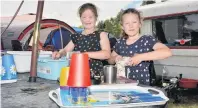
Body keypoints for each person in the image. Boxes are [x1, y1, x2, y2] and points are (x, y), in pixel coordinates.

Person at [108, 8, 172, 85]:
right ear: (122, 26)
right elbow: (109, 60)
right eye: (127, 23)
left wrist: (140, 57)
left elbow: (167, 52)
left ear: (140, 24)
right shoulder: (120, 42)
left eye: (134, 22)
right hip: (123, 86)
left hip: (142, 86)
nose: (131, 26)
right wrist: (115, 58)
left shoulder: (147, 40)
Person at [52, 3, 111, 84]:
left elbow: (106, 54)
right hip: (77, 74)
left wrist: (86, 54)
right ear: (80, 19)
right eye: (84, 17)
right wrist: (59, 53)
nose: (87, 20)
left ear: (96, 18)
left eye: (90, 17)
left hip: (95, 76)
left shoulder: (101, 35)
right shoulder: (76, 37)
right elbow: (65, 50)